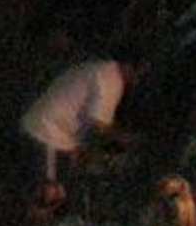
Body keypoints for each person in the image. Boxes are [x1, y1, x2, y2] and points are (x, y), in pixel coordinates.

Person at [18, 51, 133, 185]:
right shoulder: (110, 79)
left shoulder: (98, 68)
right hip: (48, 134)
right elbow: (98, 125)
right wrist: (122, 138)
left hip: (46, 130)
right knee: (49, 191)